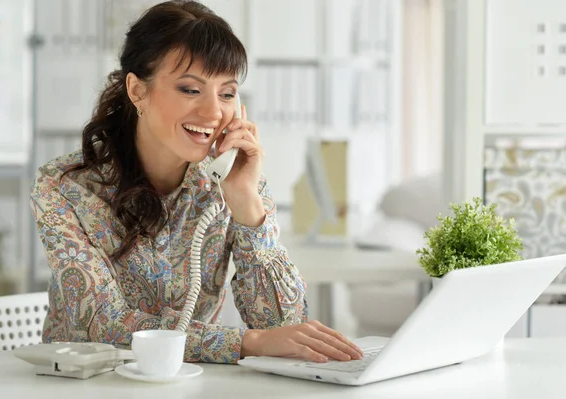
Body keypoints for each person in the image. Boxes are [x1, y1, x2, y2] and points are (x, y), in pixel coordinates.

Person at [30, 0, 362, 365]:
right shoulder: (62, 188)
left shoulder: (232, 181)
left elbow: (285, 328)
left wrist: (247, 204)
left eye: (228, 93)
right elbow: (106, 326)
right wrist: (247, 343)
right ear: (138, 91)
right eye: (191, 89)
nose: (214, 112)